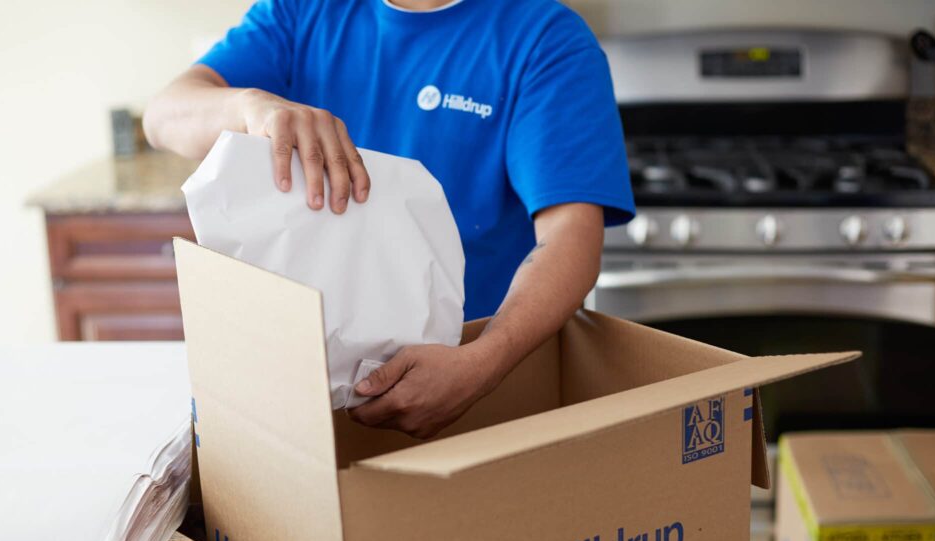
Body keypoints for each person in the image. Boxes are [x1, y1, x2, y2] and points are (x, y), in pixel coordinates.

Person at [144, 0, 634, 438]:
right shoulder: (301, 12)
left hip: (473, 386)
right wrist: (250, 107)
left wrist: (481, 364)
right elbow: (163, 117)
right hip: (294, 389)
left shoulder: (545, 37)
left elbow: (570, 233)